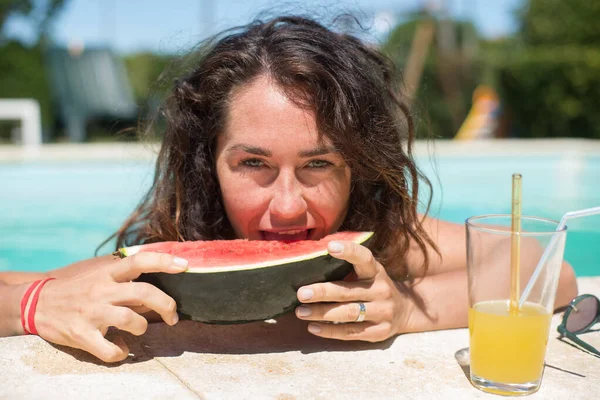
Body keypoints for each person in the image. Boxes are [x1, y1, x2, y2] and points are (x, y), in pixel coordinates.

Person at [0, 15, 578, 363]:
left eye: (319, 164)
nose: (287, 205)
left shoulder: (385, 244)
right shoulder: (166, 259)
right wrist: (37, 303)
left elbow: (549, 269)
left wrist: (406, 310)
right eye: (253, 163)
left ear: (359, 166)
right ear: (209, 165)